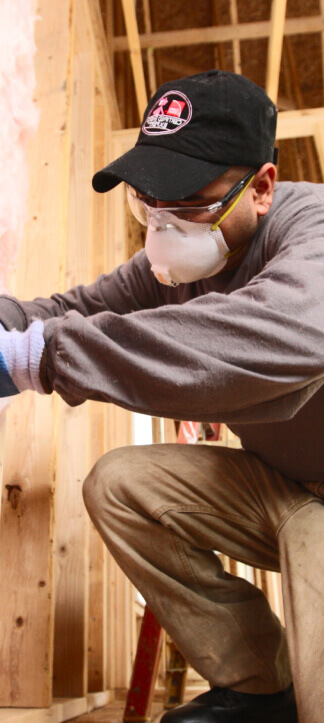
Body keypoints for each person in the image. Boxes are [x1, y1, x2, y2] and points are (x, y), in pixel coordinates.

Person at [0, 70, 323, 722]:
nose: (162, 228)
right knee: (120, 483)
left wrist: (36, 357)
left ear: (260, 187)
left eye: (187, 206)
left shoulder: (310, 225)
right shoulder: (176, 266)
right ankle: (259, 687)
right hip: (285, 487)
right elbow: (69, 309)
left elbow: (282, 334)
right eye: (147, 205)